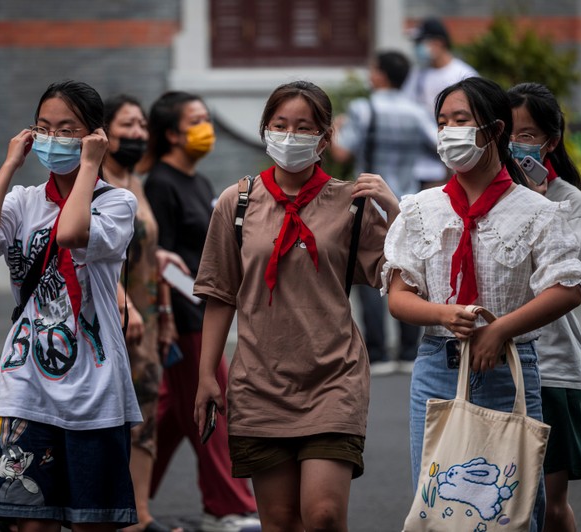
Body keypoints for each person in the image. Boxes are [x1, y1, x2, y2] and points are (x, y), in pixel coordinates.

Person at [383, 77, 581, 531]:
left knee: (510, 509)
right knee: (440, 506)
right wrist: (444, 315)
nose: (448, 132)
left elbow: (569, 286)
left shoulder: (537, 210)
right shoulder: (422, 208)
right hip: (437, 366)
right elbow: (399, 297)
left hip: (510, 370)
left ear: (494, 131)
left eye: (461, 120)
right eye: (442, 122)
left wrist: (499, 329)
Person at [193, 80, 400, 531]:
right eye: (280, 124)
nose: (289, 136)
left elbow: (402, 272)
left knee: (323, 516)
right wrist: (208, 375)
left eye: (304, 127)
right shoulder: (237, 202)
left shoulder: (352, 203)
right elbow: (219, 292)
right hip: (259, 382)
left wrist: (396, 210)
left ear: (325, 139)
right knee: (281, 521)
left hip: (334, 377)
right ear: (265, 128)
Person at [0, 80, 141, 531]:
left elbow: (71, 233)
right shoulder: (22, 201)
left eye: (67, 129)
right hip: (25, 384)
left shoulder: (118, 203)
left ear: (94, 136)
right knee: (29, 524)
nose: (54, 139)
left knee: (89, 523)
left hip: (95, 391)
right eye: (44, 128)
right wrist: (9, 165)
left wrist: (90, 166)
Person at [142, 91, 261, 532]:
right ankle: (226, 505)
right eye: (195, 120)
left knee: (171, 416)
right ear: (172, 134)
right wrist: (174, 314)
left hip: (200, 311)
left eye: (206, 117)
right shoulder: (160, 183)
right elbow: (158, 257)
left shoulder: (199, 181)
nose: (205, 126)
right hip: (183, 318)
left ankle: (118, 496)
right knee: (214, 404)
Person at [508, 82, 581, 532]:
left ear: (551, 141)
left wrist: (537, 204)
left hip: (554, 369)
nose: (514, 142)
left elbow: (569, 283)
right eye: (508, 130)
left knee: (550, 504)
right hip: (502, 367)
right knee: (504, 502)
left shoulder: (568, 201)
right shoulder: (491, 196)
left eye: (527, 134)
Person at [102, 93, 185, 532]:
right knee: (107, 417)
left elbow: (149, 252)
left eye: (140, 126)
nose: (136, 134)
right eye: (126, 125)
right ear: (103, 132)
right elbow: (88, 253)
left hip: (147, 318)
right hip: (108, 316)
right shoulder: (92, 183)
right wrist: (125, 301)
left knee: (146, 411)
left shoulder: (136, 179)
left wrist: (165, 314)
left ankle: (139, 514)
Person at [332, 49, 437, 376]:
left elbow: (342, 151)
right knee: (409, 271)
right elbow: (439, 147)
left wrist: (336, 128)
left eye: (372, 69)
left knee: (370, 273)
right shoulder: (416, 111)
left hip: (370, 202)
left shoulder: (365, 109)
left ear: (381, 75)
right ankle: (408, 350)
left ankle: (377, 354)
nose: (369, 74)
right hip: (407, 201)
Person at [403, 17, 478, 189]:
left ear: (439, 43)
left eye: (422, 42)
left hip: (451, 162)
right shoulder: (418, 74)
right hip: (418, 165)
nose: (418, 48)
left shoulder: (463, 74)